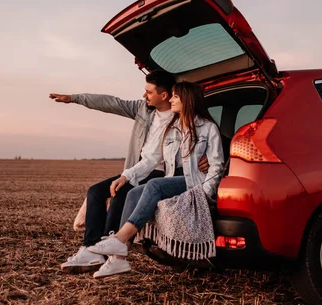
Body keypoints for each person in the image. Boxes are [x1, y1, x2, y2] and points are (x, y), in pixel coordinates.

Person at [50, 71, 209, 273]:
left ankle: (109, 250)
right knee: (96, 192)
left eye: (149, 92)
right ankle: (90, 249)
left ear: (165, 95)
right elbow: (111, 103)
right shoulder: (143, 109)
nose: (144, 95)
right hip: (140, 168)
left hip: (161, 172)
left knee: (120, 194)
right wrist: (74, 99)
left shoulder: (181, 119)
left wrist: (207, 159)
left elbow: (208, 136)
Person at [87, 81, 225, 277]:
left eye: (176, 96)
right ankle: (118, 260)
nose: (172, 99)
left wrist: (203, 193)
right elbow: (151, 159)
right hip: (175, 178)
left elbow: (216, 165)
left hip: (196, 182)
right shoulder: (172, 128)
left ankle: (120, 239)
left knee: (154, 185)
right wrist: (126, 176)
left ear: (187, 99)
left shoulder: (208, 128)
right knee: (133, 193)